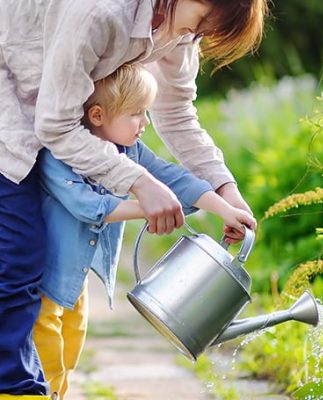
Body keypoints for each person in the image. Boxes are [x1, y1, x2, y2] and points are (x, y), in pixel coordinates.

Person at [0, 0, 267, 397]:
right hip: (13, 109)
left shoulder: (179, 27)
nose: (192, 39)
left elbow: (176, 113)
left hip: (59, 117)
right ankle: (16, 390)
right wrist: (140, 186)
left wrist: (224, 192)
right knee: (20, 254)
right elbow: (56, 123)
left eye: (203, 35)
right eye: (200, 23)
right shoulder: (100, 12)